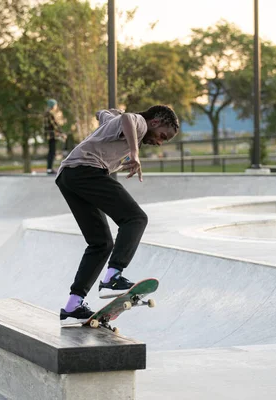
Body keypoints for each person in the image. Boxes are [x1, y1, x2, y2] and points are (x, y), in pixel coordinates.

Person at [55, 105, 180, 326]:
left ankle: (73, 304)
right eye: (162, 136)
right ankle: (112, 278)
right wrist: (134, 152)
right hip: (87, 170)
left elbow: (103, 113)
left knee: (101, 244)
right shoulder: (139, 123)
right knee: (136, 218)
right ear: (155, 122)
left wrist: (108, 114)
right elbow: (129, 118)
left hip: (68, 177)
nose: (159, 142)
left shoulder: (115, 122)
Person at [44, 99, 65, 175]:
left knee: (51, 151)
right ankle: (49, 169)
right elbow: (55, 125)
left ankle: (49, 168)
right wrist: (62, 133)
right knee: (52, 152)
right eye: (55, 105)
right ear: (53, 106)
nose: (56, 106)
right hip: (52, 135)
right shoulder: (50, 113)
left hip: (49, 135)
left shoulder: (46, 113)